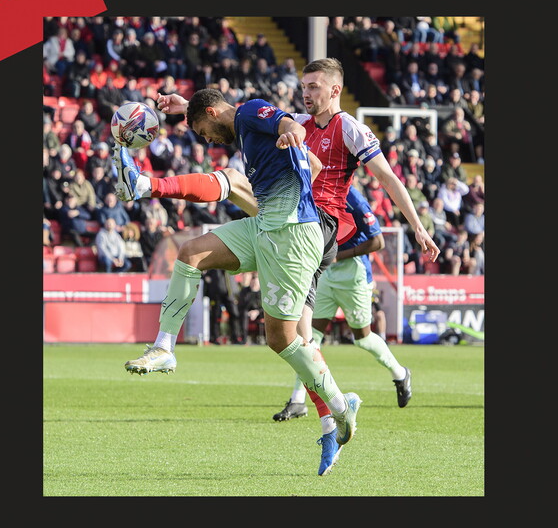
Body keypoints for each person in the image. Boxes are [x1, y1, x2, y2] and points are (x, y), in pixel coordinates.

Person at [119, 60, 439, 469]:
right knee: (284, 328)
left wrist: (417, 228)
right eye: (304, 85)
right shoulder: (282, 118)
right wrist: (187, 106)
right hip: (279, 218)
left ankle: (343, 407)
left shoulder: (346, 128)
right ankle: (331, 419)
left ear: (336, 89)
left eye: (315, 86)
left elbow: (387, 178)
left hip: (312, 228)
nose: (306, 92)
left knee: (234, 184)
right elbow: (238, 114)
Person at [117, 90, 363, 476]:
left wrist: (290, 133)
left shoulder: (249, 112)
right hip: (267, 225)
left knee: (283, 340)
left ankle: (339, 408)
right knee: (190, 253)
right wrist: (188, 108)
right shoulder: (244, 128)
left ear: (213, 113)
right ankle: (164, 347)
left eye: (203, 130)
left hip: (294, 235)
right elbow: (312, 163)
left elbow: (285, 122)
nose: (207, 140)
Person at [274, 186, 412, 423]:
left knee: (363, 338)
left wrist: (338, 256)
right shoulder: (314, 189)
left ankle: (400, 373)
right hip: (326, 274)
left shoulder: (353, 198)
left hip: (354, 275)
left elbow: (377, 242)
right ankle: (298, 400)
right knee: (308, 337)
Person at [203, 268, 242, 344]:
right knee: (216, 317)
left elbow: (234, 282)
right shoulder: (213, 268)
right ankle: (215, 337)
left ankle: (235, 337)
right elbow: (205, 277)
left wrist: (235, 295)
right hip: (216, 296)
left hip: (229, 295)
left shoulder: (230, 268)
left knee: (235, 315)